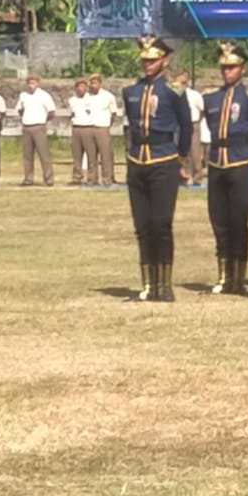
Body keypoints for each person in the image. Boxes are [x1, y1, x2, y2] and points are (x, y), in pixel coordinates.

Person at [122, 35, 191, 301]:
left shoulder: (174, 91)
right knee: (142, 226)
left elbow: (186, 126)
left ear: (165, 60)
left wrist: (181, 157)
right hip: (138, 159)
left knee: (161, 224)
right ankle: (148, 283)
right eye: (145, 60)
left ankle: (164, 283)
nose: (148, 65)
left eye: (153, 60)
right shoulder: (131, 91)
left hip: (163, 158)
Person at [201, 42, 248, 295]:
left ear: (242, 68)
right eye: (224, 67)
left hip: (241, 162)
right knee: (219, 222)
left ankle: (239, 276)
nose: (227, 72)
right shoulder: (211, 98)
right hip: (217, 163)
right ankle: (224, 274)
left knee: (239, 222)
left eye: (232, 67)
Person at [16, 74, 57, 186]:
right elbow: (19, 109)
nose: (31, 85)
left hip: (39, 126)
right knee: (27, 155)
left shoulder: (44, 95)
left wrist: (43, 120)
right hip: (27, 127)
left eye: (33, 83)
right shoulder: (23, 95)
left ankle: (48, 178)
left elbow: (52, 112)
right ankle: (28, 178)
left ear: (37, 83)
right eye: (29, 83)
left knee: (44, 154)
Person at [83, 74, 120, 185]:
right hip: (89, 127)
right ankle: (92, 178)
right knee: (91, 156)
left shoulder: (108, 96)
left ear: (100, 84)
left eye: (95, 83)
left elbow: (114, 113)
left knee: (106, 155)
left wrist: (108, 125)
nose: (93, 85)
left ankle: (107, 178)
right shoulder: (86, 96)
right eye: (91, 83)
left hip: (102, 128)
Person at [173, 69, 206, 186]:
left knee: (195, 152)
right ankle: (182, 175)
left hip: (193, 123)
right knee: (181, 151)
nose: (183, 79)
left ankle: (197, 176)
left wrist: (196, 122)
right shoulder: (175, 93)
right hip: (179, 125)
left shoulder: (194, 94)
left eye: (185, 77)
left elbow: (202, 110)